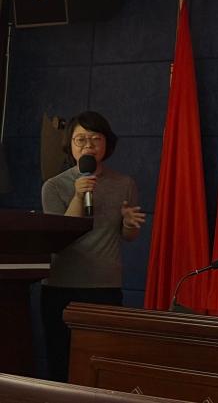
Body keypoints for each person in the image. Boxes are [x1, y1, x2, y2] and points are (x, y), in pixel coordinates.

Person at [40, 111, 146, 381]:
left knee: (102, 362)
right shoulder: (54, 186)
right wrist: (78, 195)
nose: (88, 145)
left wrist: (130, 224)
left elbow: (129, 236)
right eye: (81, 139)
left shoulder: (124, 184)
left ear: (107, 144)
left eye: (96, 138)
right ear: (70, 145)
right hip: (62, 286)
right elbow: (58, 238)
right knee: (61, 362)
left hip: (104, 285)